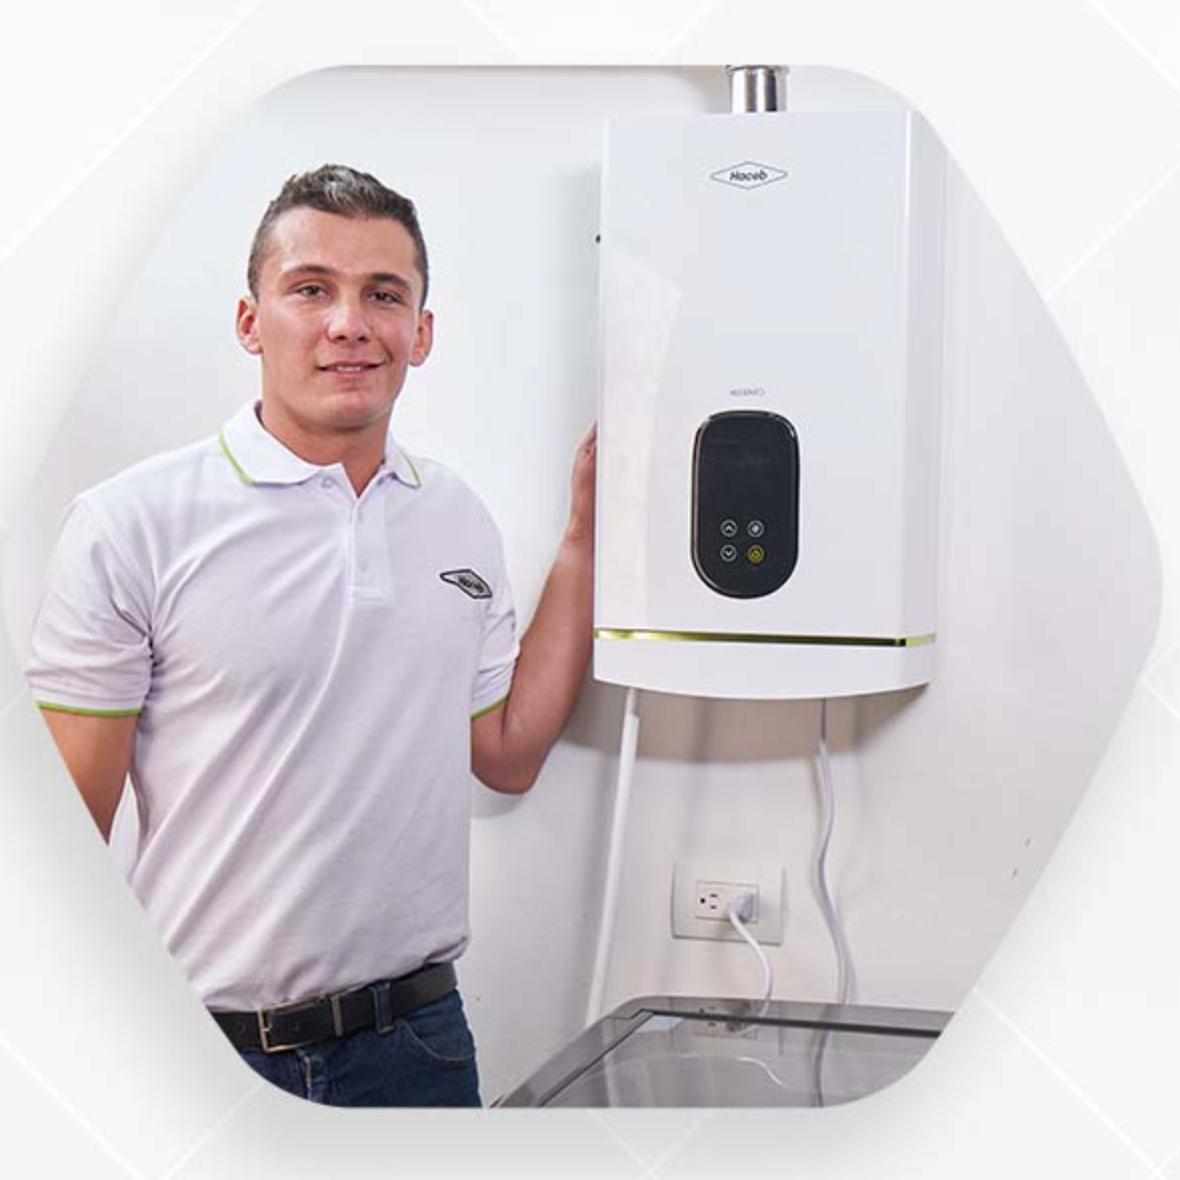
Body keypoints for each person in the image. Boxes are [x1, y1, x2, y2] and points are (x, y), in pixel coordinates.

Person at [24, 164, 596, 1107]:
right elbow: (63, 843)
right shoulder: (131, 524)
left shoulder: (456, 517)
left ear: (422, 332)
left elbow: (506, 753)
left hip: (420, 1047)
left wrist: (583, 540)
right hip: (201, 1052)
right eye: (311, 289)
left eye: (384, 295)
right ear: (251, 321)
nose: (349, 323)